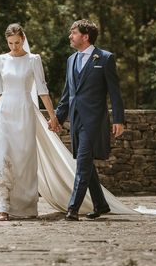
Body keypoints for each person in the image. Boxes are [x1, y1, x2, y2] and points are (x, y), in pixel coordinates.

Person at [52, 19, 125, 221]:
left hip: (94, 121)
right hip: (75, 121)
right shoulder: (71, 60)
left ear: (85, 36)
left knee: (83, 163)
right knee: (86, 164)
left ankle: (73, 209)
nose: (70, 36)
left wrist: (119, 119)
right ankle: (101, 204)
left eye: (73, 33)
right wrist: (56, 118)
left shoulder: (105, 58)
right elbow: (67, 95)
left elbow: (115, 93)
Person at [0, 23, 60, 221]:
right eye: (10, 43)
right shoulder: (0, 60)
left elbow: (42, 90)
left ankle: (27, 206)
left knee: (25, 159)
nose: (14, 47)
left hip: (25, 112)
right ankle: (3, 207)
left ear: (23, 40)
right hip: (3, 114)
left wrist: (52, 116)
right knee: (3, 158)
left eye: (17, 43)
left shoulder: (33, 60)